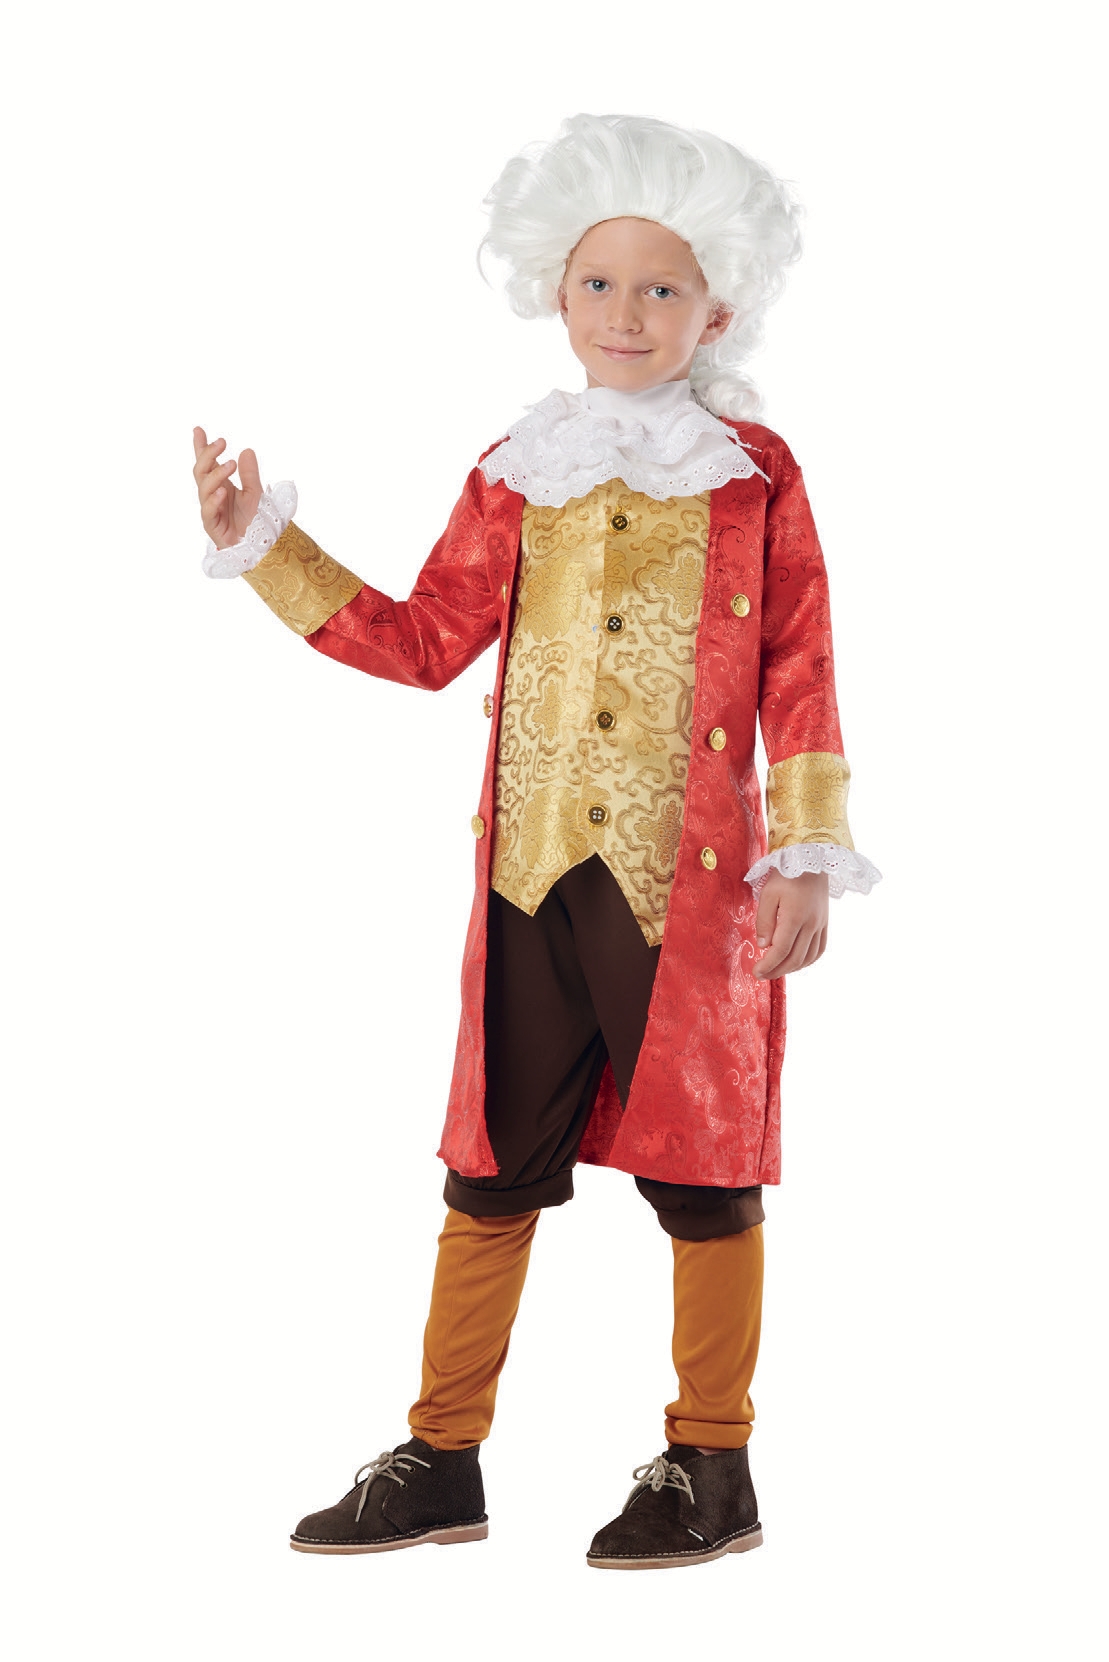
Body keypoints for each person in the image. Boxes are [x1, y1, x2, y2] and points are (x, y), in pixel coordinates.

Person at [192, 112, 880, 1570]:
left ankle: (712, 1463)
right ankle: (441, 1456)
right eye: (597, 284)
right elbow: (424, 639)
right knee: (488, 1165)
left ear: (717, 310)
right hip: (526, 878)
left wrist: (808, 851)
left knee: (706, 1171)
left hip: (692, 889)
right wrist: (266, 545)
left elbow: (800, 663)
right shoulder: (519, 467)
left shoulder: (752, 471)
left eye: (660, 288)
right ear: (552, 292)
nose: (625, 313)